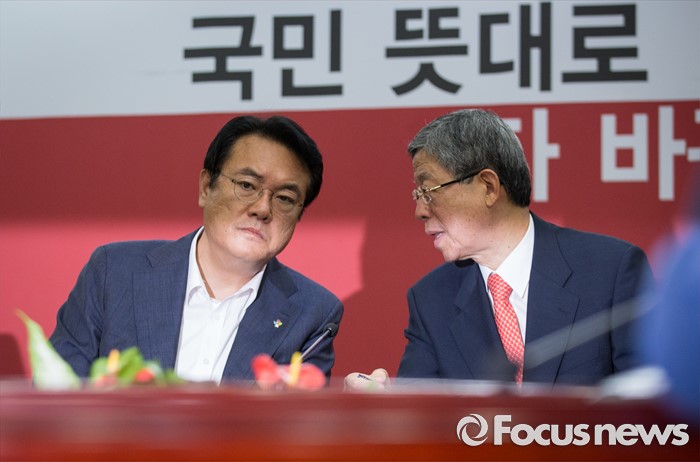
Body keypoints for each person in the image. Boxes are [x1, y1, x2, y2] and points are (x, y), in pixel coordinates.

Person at [346, 108, 652, 390]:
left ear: (488, 187)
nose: (420, 211)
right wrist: (384, 405)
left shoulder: (611, 272)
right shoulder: (432, 299)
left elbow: (654, 412)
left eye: (428, 191)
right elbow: (423, 416)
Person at [49, 115, 343, 384]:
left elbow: (300, 419)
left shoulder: (313, 315)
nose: (263, 209)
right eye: (246, 185)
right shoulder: (113, 273)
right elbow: (57, 392)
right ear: (206, 187)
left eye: (285, 198)